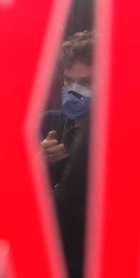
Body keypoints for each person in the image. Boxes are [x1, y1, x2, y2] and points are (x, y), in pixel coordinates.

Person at [40, 30, 95, 188]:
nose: (73, 90)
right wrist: (40, 161)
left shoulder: (123, 135)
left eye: (85, 82)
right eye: (68, 80)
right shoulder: (47, 123)